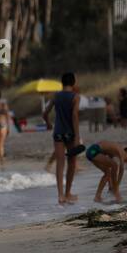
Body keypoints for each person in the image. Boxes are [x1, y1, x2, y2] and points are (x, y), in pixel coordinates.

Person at [44, 73, 81, 206]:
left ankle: (60, 196)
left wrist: (48, 123)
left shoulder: (56, 96)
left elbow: (45, 113)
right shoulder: (75, 97)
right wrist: (77, 136)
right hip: (70, 133)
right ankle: (68, 193)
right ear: (73, 83)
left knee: (60, 164)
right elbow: (75, 116)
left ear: (62, 83)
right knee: (71, 163)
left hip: (58, 132)